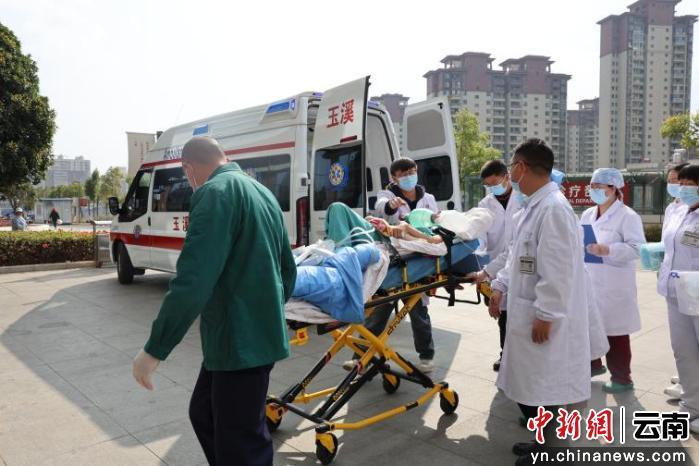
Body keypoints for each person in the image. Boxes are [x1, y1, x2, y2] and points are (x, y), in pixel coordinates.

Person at [131, 136, 297, 465]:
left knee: (242, 444)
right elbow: (287, 272)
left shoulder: (213, 193)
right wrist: (266, 312)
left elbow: (193, 282)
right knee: (204, 412)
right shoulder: (263, 193)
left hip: (239, 341)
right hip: (246, 338)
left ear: (188, 169)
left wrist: (154, 350)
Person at [489, 139, 590, 464]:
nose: (510, 173)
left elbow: (558, 270)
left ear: (521, 167)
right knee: (532, 386)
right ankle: (541, 442)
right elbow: (517, 256)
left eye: (512, 166)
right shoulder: (532, 208)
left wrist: (546, 314)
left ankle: (552, 452)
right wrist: (500, 285)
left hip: (545, 317)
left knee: (547, 387)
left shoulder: (554, 209)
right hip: (526, 309)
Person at [343, 157, 438, 373]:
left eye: (411, 172)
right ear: (394, 178)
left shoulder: (428, 199)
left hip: (419, 263)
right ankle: (359, 356)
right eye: (403, 175)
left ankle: (426, 357)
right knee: (379, 312)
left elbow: (434, 224)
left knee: (419, 314)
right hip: (395, 261)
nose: (408, 177)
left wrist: (436, 219)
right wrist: (390, 206)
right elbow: (381, 209)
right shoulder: (387, 195)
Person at [580, 168, 645, 393]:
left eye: (599, 186)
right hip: (590, 278)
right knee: (588, 326)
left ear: (614, 188)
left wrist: (607, 249)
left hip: (614, 283)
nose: (594, 190)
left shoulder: (628, 216)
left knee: (615, 333)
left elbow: (637, 249)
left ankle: (622, 378)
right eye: (592, 186)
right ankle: (593, 365)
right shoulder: (588, 214)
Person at [656, 163, 699, 434]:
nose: (682, 189)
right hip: (675, 291)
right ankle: (691, 407)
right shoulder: (679, 211)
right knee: (684, 351)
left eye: (689, 184)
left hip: (697, 292)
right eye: (680, 184)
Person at [472, 159, 523, 372]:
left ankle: (516, 356)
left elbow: (515, 244)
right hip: (495, 265)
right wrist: (478, 256)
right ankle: (506, 355)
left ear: (507, 177)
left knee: (519, 313)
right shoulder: (485, 205)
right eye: (488, 185)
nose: (493, 188)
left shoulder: (523, 198)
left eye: (495, 183)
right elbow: (480, 237)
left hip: (519, 263)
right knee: (502, 314)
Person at [662, 163, 688, 400]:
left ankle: (690, 388)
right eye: (670, 181)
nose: (674, 185)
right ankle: (687, 382)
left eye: (678, 181)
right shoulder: (674, 208)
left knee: (690, 341)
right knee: (682, 341)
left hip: (691, 285)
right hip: (673, 282)